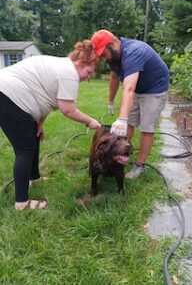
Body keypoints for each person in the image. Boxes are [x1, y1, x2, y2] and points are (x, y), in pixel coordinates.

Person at [0, 40, 101, 210]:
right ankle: (21, 203)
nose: (88, 76)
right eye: (89, 71)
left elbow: (47, 97)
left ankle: (34, 177)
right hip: (10, 97)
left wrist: (39, 123)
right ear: (80, 63)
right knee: (24, 150)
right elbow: (67, 109)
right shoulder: (69, 73)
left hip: (8, 93)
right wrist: (90, 121)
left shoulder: (61, 66)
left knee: (34, 136)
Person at [91, 30, 169, 179]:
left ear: (112, 45)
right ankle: (120, 154)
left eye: (103, 54)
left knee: (147, 128)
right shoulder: (114, 58)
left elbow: (129, 88)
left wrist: (122, 119)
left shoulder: (134, 52)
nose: (102, 59)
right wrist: (111, 101)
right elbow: (114, 78)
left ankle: (139, 166)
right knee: (129, 124)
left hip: (155, 88)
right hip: (137, 87)